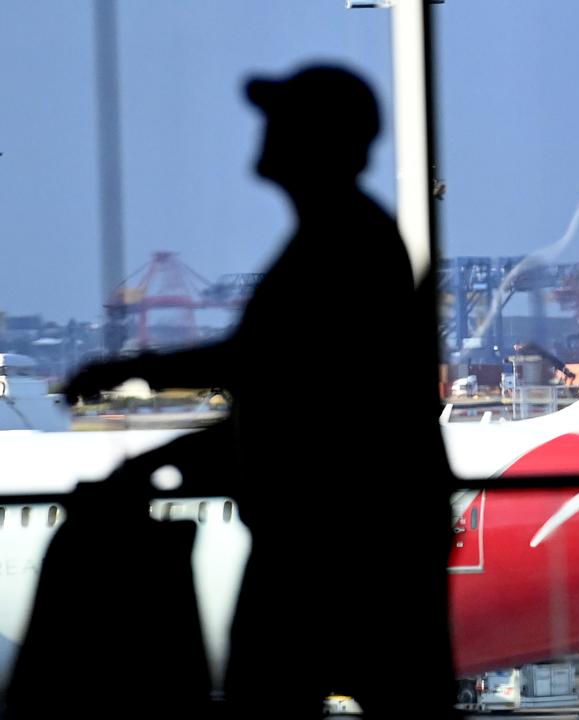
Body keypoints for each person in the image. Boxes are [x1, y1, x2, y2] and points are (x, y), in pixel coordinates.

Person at [63, 65, 450, 717]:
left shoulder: (338, 245)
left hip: (324, 550)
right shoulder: (349, 237)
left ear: (316, 141)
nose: (265, 133)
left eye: (283, 121)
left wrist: (130, 375)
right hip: (357, 545)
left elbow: (273, 374)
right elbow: (299, 396)